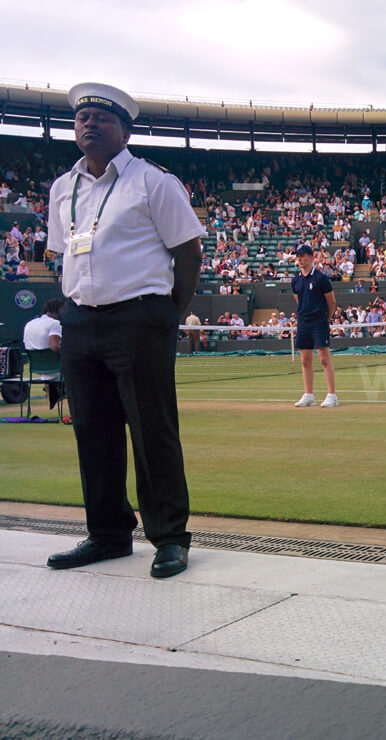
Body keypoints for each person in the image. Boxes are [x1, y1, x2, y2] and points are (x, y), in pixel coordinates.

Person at [45, 83, 203, 578]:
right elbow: (60, 252)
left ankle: (170, 538)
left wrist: (168, 315)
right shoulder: (61, 188)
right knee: (92, 431)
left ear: (125, 130)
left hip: (140, 318)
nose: (89, 124)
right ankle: (108, 534)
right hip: (81, 320)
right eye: (82, 117)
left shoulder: (153, 181)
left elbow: (189, 252)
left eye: (101, 118)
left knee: (152, 431)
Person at [291, 245, 338, 407]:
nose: (300, 259)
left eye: (303, 256)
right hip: (303, 322)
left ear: (312, 257)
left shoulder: (321, 278)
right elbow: (298, 298)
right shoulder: (295, 280)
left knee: (324, 359)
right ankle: (308, 394)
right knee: (305, 360)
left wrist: (327, 319)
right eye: (298, 256)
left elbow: (331, 302)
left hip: (319, 322)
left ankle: (332, 395)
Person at [22, 298, 65, 408]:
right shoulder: (55, 324)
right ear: (58, 311)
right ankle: (59, 390)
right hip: (56, 371)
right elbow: (55, 346)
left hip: (37, 371)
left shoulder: (29, 324)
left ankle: (55, 389)